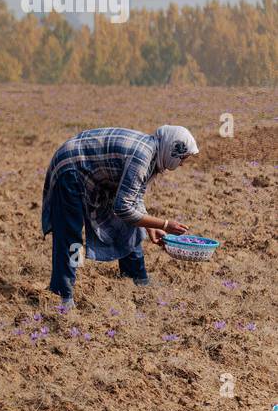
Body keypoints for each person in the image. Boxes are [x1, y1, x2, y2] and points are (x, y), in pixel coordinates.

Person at [41, 126, 198, 309]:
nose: (182, 164)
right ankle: (62, 293)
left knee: (132, 222)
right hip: (71, 169)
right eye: (182, 159)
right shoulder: (142, 157)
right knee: (71, 235)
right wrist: (164, 224)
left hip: (94, 171)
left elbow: (133, 199)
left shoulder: (152, 152)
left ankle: (136, 276)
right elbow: (124, 208)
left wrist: (150, 226)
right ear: (173, 150)